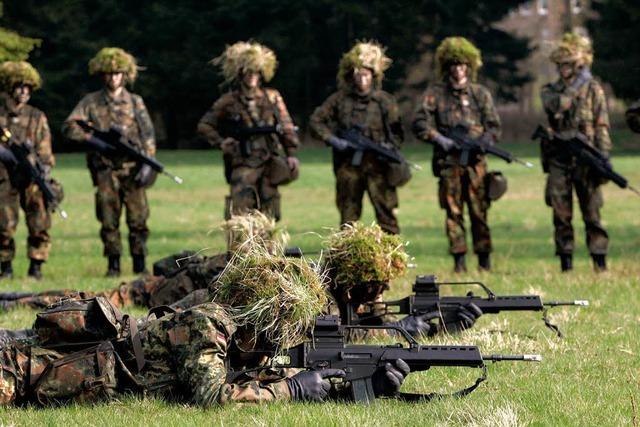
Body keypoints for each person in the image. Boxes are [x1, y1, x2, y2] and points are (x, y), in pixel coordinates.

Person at [0, 241, 408, 406]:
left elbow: (258, 377)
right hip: (26, 370)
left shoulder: (240, 342)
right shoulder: (209, 323)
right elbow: (213, 396)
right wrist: (292, 389)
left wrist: (360, 389)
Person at [62, 47, 156, 277]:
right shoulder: (91, 102)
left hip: (132, 169)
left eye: (118, 73)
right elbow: (68, 126)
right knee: (108, 219)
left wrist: (147, 164)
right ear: (102, 75)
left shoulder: (135, 102)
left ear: (125, 75)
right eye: (109, 73)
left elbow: (148, 135)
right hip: (105, 169)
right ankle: (113, 264)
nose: (113, 78)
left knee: (138, 219)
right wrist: (92, 140)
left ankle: (139, 263)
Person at [413, 37, 501, 273]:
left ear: (469, 67)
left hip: (476, 164)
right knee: (453, 212)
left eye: (462, 65)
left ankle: (484, 259)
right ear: (447, 67)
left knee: (479, 210)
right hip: (449, 163)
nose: (458, 69)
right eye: (454, 65)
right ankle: (459, 261)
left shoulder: (480, 94)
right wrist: (441, 139)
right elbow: (420, 122)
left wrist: (485, 141)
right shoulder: (435, 94)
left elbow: (494, 125)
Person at [309, 42, 406, 234]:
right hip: (348, 168)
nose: (362, 79)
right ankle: (346, 259)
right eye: (358, 74)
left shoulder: (384, 101)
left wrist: (388, 147)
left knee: (386, 215)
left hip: (378, 168)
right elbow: (316, 121)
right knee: (348, 219)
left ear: (373, 76)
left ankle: (393, 257)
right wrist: (334, 141)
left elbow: (397, 132)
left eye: (366, 74)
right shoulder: (339, 100)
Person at [198, 41, 300, 221]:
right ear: (240, 74)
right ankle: (239, 249)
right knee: (239, 215)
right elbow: (205, 125)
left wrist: (291, 153)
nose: (252, 76)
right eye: (248, 72)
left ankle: (269, 249)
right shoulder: (229, 100)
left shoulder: (272, 97)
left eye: (255, 72)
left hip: (269, 162)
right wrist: (221, 142)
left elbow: (286, 126)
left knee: (269, 215)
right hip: (243, 163)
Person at [539, 33, 611, 272]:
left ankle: (599, 260)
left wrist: (603, 157)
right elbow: (555, 106)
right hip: (559, 159)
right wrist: (574, 88)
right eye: (560, 65)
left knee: (592, 212)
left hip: (586, 158)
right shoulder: (549, 90)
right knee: (561, 214)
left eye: (569, 64)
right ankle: (566, 262)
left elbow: (602, 123)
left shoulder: (593, 89)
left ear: (578, 64)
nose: (564, 69)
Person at [0, 61, 55, 280]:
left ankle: (36, 265)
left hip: (31, 177)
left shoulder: (37, 116)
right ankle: (5, 266)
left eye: (28, 87)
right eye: (19, 86)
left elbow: (45, 150)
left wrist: (43, 169)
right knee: (3, 223)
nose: (24, 91)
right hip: (4, 177)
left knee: (38, 222)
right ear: (9, 87)